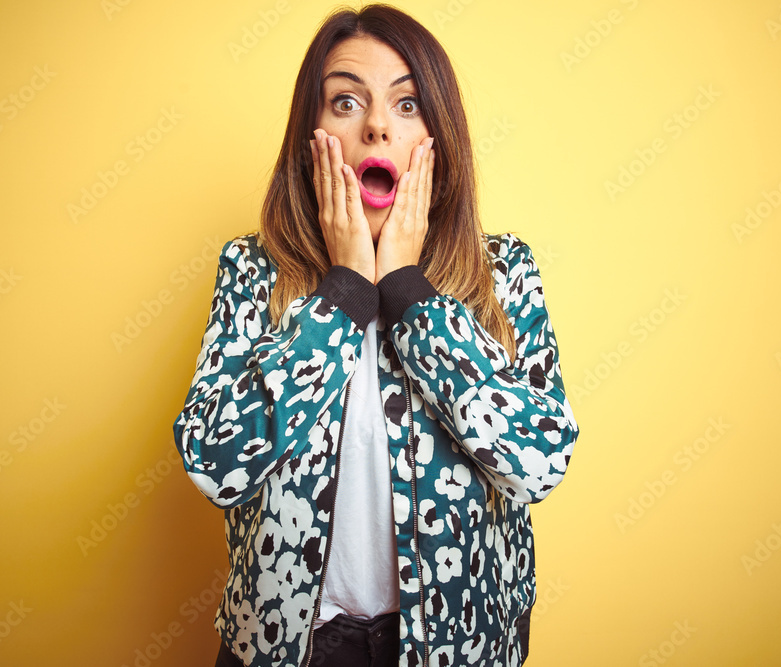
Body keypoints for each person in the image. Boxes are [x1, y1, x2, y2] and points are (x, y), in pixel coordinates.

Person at [173, 5, 579, 666]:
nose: (377, 125)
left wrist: (409, 292)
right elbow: (215, 463)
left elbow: (539, 461)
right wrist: (344, 292)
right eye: (345, 101)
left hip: (457, 646)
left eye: (408, 103)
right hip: (290, 648)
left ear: (438, 140)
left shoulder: (503, 273)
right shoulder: (252, 272)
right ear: (310, 135)